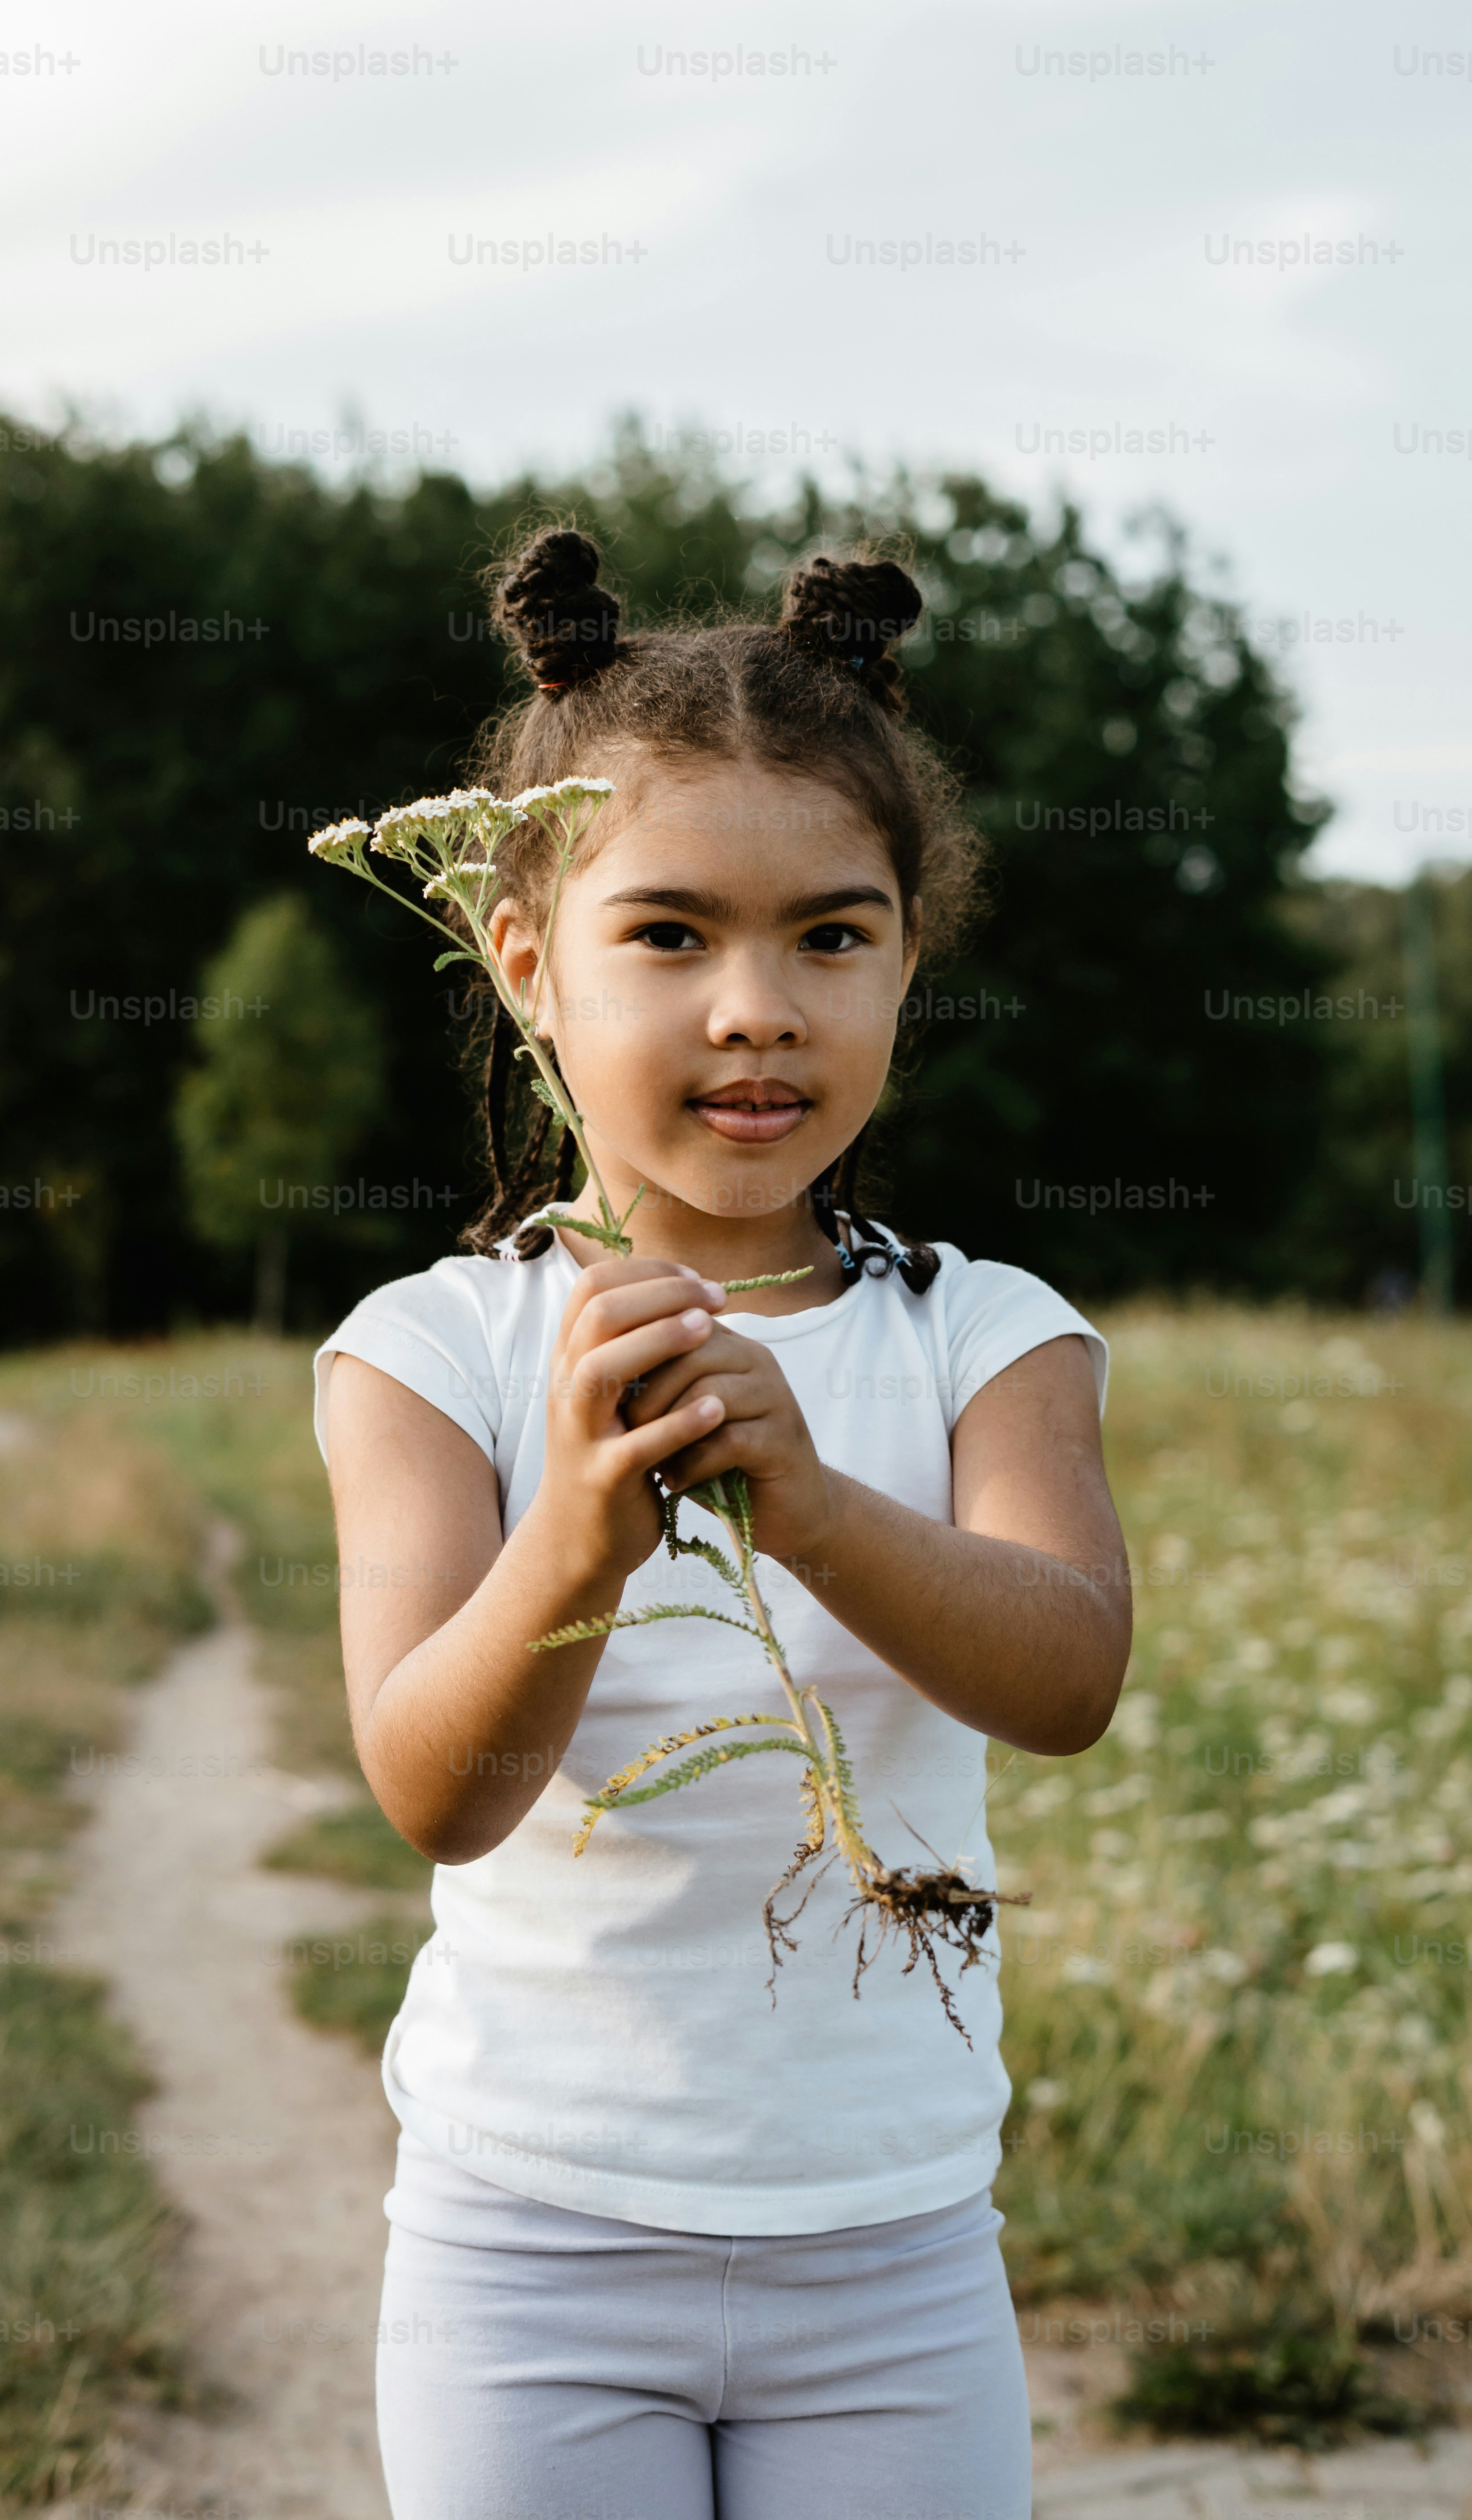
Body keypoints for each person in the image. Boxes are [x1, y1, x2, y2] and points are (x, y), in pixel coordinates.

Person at [315, 529, 1131, 2518]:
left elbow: (1065, 1672)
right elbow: (437, 1787)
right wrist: (576, 1541)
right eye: (667, 934)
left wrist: (805, 1502)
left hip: (895, 2241)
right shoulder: (435, 1349)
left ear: (903, 964)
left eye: (829, 937)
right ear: (524, 960)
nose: (754, 1008)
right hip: (534, 2237)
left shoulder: (984, 1332)